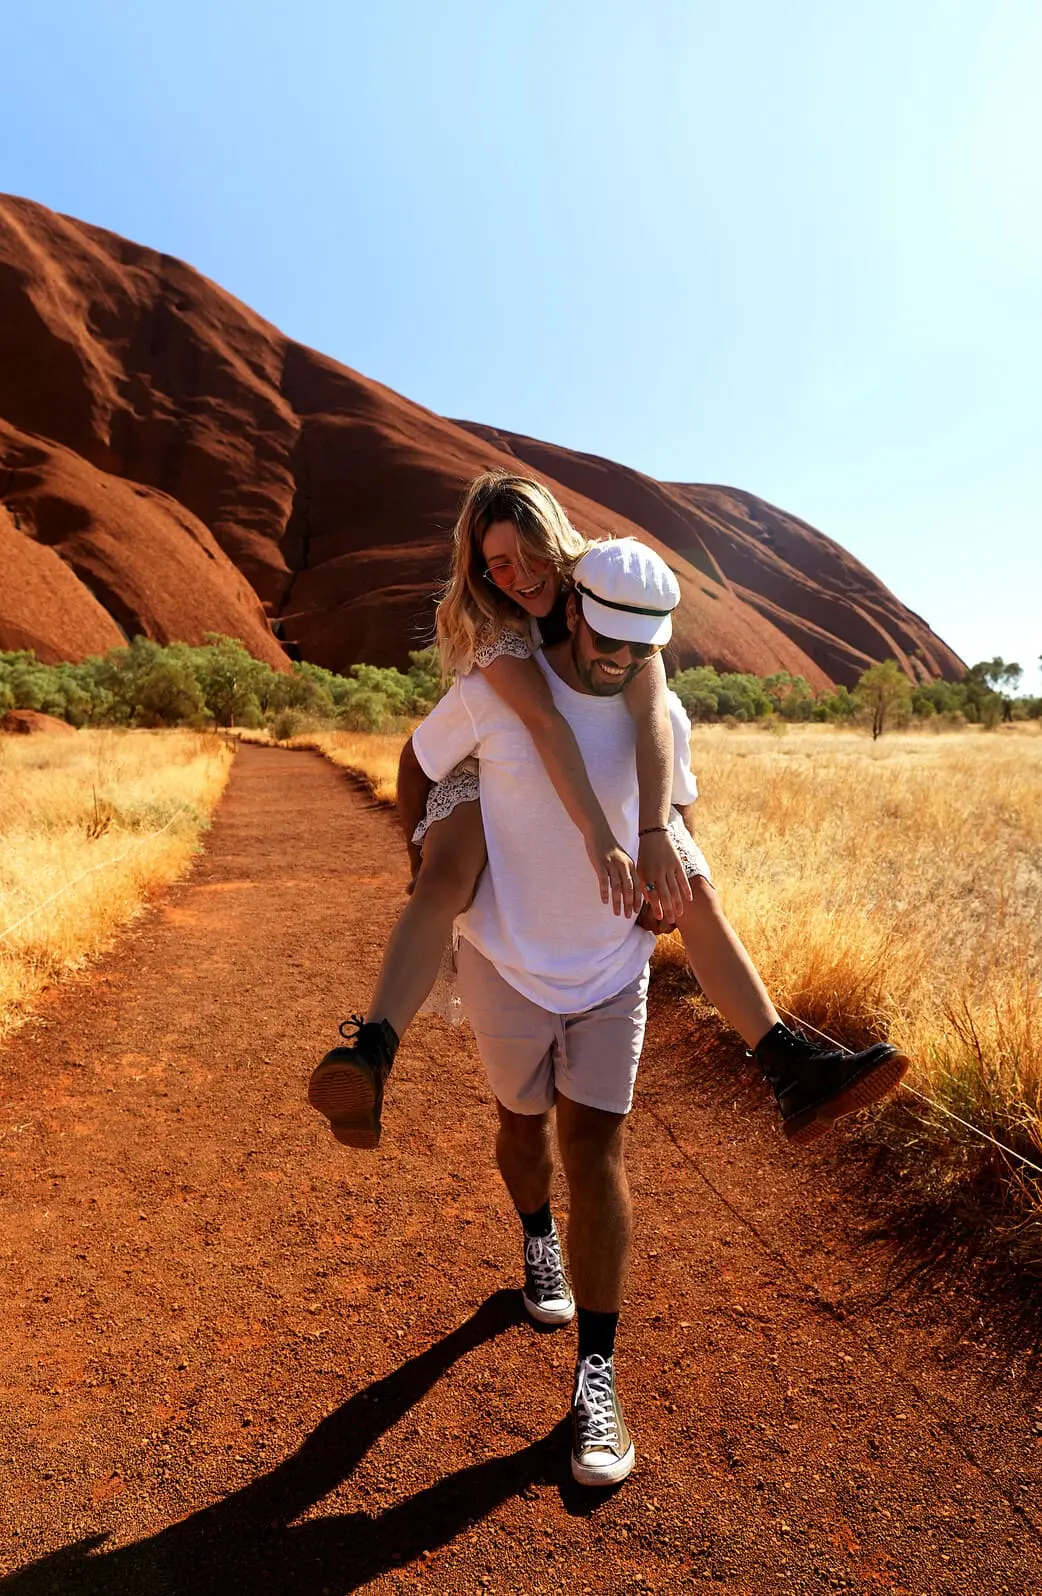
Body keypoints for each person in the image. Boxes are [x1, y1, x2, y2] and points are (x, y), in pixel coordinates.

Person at [318, 537, 909, 1487]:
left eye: (645, 645)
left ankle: (598, 1372)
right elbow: (419, 764)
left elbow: (671, 811)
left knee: (596, 1149)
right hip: (509, 960)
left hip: (610, 967)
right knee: (522, 1128)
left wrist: (676, 872)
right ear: (573, 606)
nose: (623, 657)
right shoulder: (495, 689)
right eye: (610, 636)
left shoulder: (658, 706)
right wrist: (425, 849)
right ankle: (535, 1240)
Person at [309, 471, 906, 1157]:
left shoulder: (612, 586)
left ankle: (789, 1064)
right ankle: (372, 1054)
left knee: (693, 887)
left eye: (530, 558)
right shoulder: (493, 622)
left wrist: (657, 834)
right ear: (476, 567)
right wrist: (420, 847)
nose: (516, 576)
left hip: (584, 762)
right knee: (445, 882)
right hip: (486, 760)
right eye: (495, 562)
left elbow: (650, 708)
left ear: (557, 547)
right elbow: (540, 723)